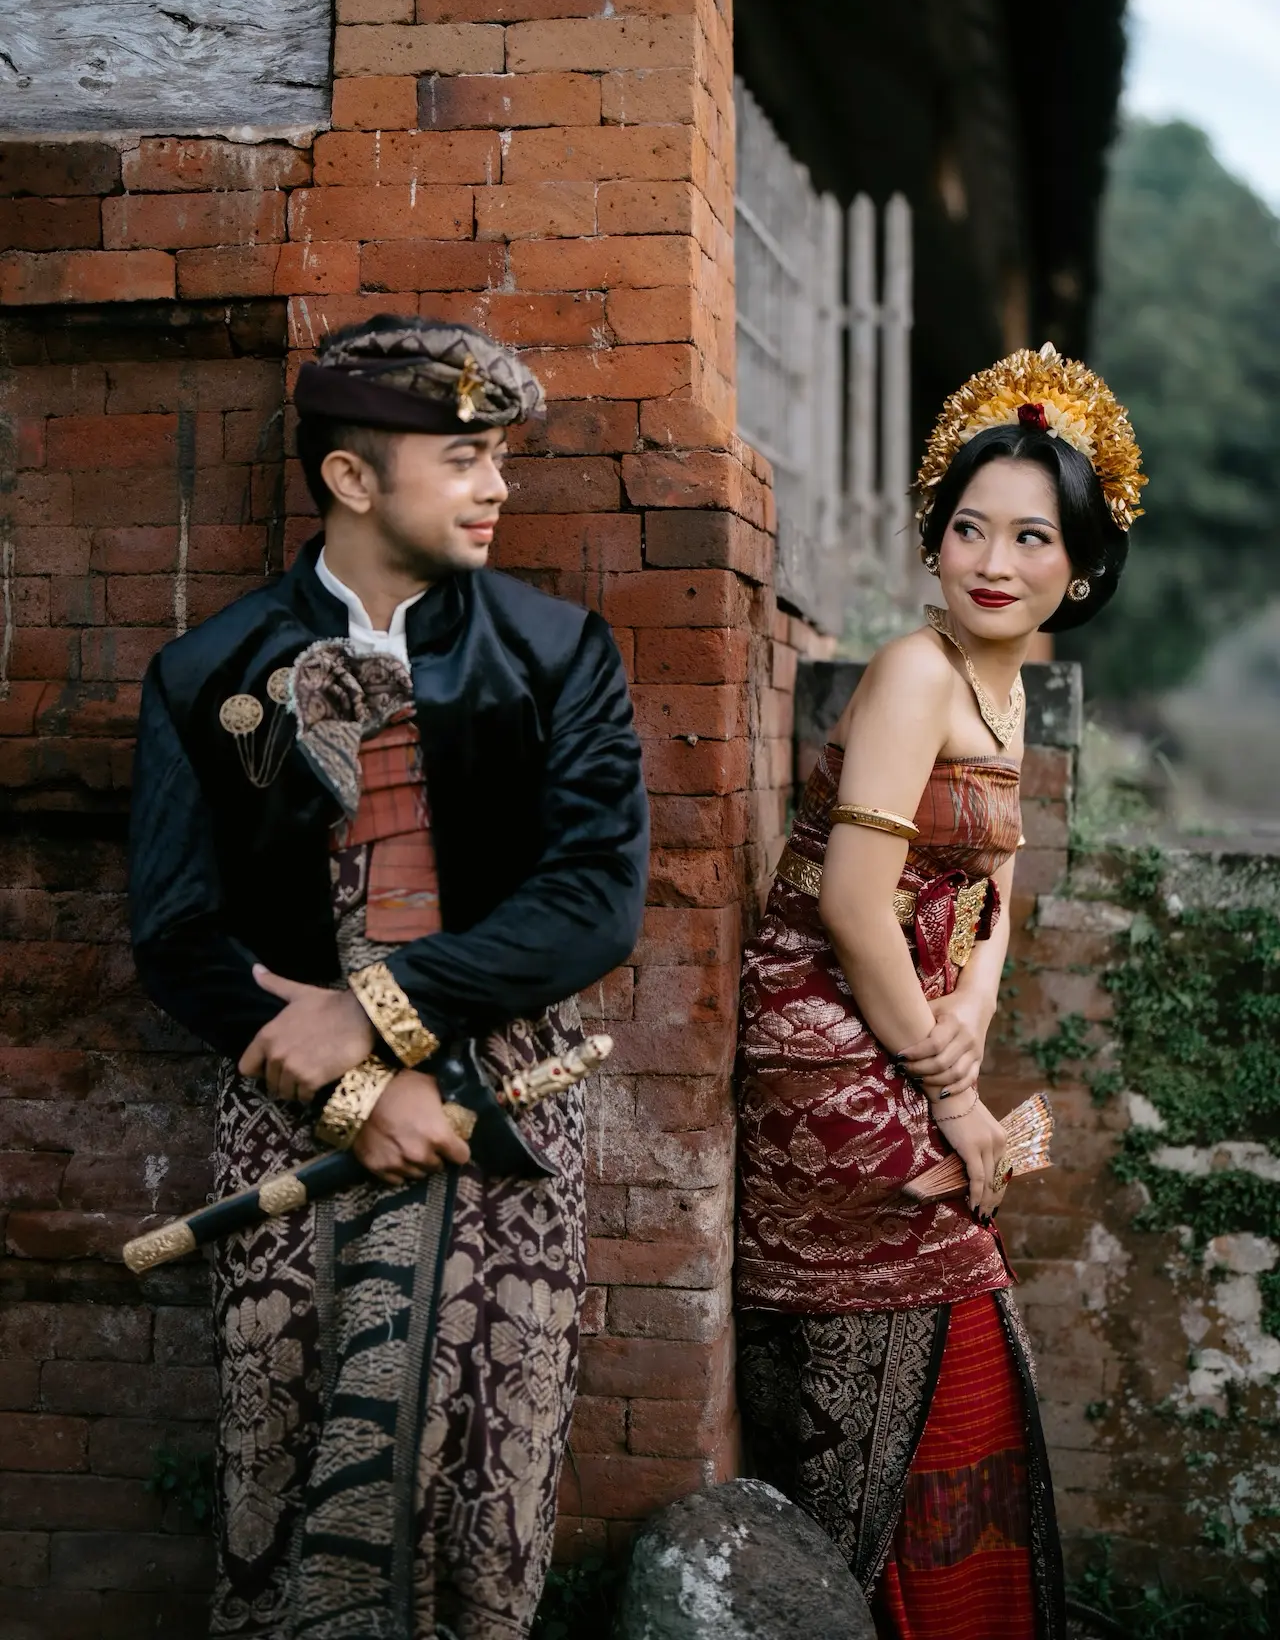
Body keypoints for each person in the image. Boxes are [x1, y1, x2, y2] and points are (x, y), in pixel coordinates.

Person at [128, 315, 649, 1640]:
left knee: (486, 1464)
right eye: (465, 460)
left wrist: (375, 1009)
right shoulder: (205, 673)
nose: (497, 488)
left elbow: (595, 899)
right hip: (288, 1106)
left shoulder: (557, 653)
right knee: (288, 1448)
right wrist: (356, 1092)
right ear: (353, 478)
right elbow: (178, 935)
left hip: (505, 1101)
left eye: (500, 460)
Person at [735, 345, 1145, 1639]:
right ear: (934, 535)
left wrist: (973, 1005)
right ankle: (849, 1599)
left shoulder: (1003, 689)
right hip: (821, 1028)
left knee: (967, 1315)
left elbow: (995, 883)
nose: (993, 560)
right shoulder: (917, 673)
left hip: (903, 1024)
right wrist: (957, 1099)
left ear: (1080, 569)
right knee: (945, 1286)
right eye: (970, 526)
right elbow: (854, 910)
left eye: (1031, 537)